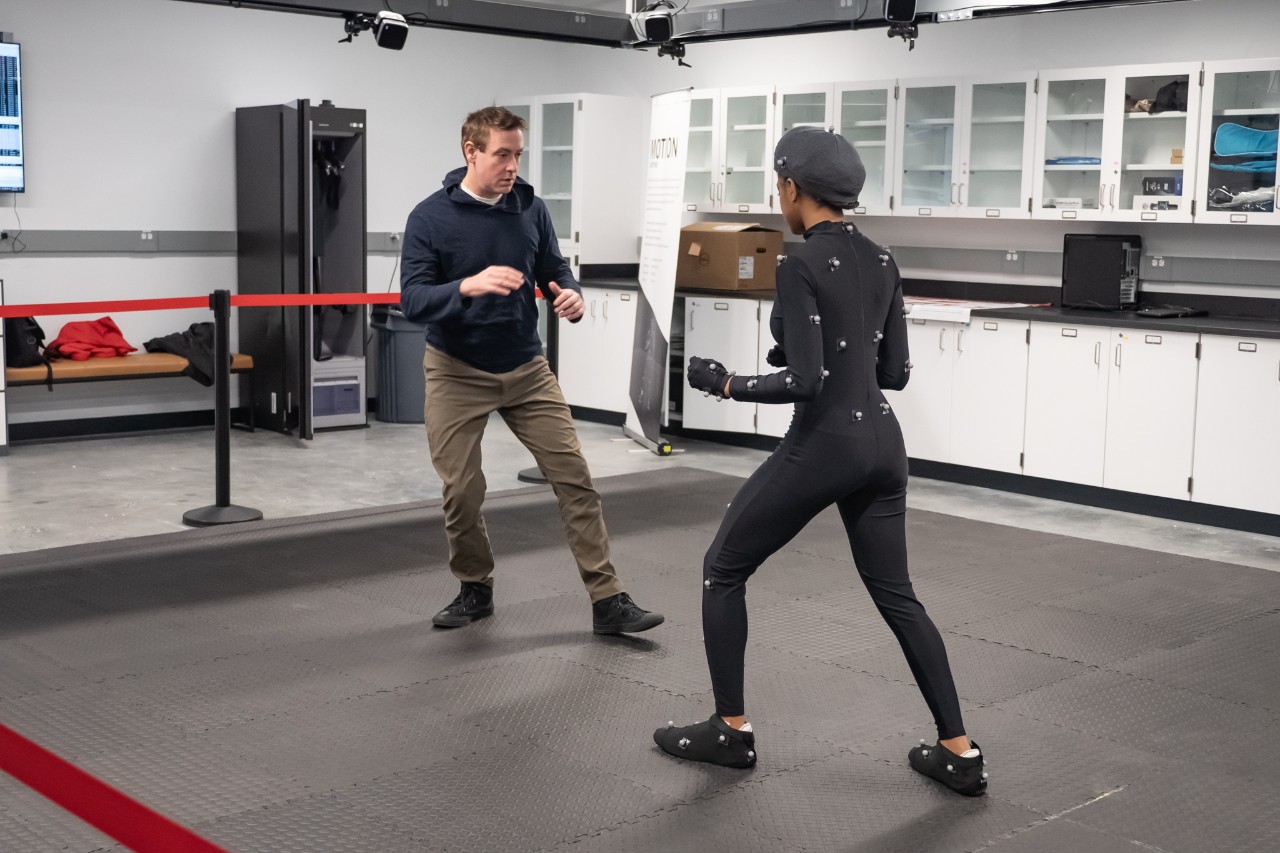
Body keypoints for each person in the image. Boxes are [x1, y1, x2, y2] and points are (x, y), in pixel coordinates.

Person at [653, 126, 987, 796]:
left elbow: (805, 382)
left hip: (826, 443)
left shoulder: (799, 262)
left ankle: (730, 729)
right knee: (898, 596)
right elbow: (892, 373)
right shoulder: (883, 260)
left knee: (723, 569)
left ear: (791, 187)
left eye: (778, 185)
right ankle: (960, 750)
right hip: (883, 445)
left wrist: (725, 383)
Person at [399, 106, 664, 636]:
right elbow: (413, 300)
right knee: (462, 491)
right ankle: (475, 588)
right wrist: (467, 285)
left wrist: (572, 294)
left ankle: (608, 599)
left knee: (576, 480)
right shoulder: (429, 217)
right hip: (456, 371)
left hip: (526, 367)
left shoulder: (531, 208)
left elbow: (553, 267)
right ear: (470, 152)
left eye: (518, 154)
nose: (513, 166)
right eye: (502, 154)